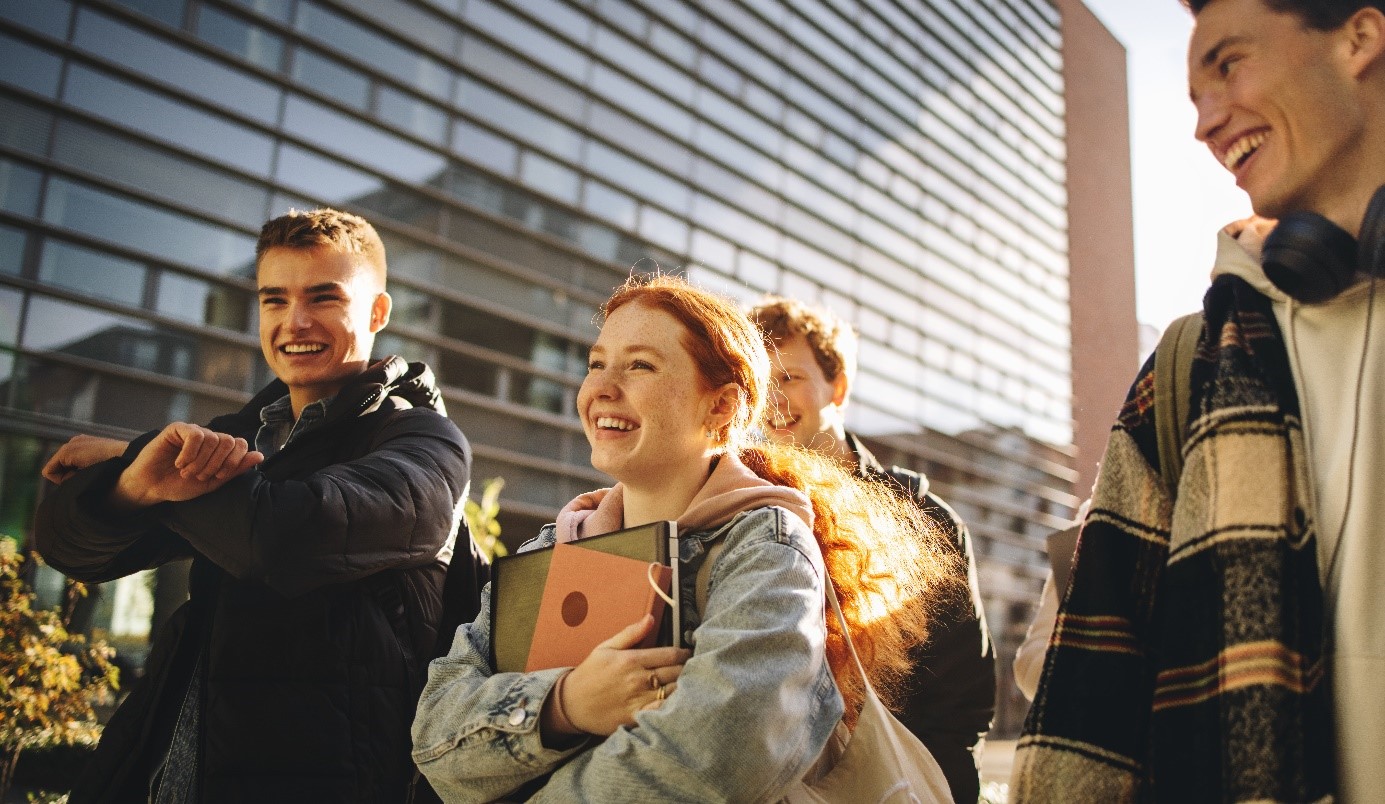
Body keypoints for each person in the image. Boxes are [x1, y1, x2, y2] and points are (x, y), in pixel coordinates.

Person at [1012, 1, 1385, 801]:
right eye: (1191, 96)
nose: (1204, 124)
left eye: (1228, 65)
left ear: (1358, 38)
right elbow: (1083, 687)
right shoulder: (1189, 366)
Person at [411, 274, 959, 801]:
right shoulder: (555, 547)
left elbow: (720, 757)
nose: (601, 388)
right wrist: (566, 705)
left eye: (641, 366)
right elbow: (435, 736)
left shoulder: (766, 547)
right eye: (596, 364)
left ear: (721, 407)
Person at [34, 208, 479, 803]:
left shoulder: (425, 441)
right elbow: (68, 548)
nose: (294, 322)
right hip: (172, 767)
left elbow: (285, 536)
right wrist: (134, 485)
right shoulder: (239, 435)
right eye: (274, 300)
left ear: (376, 312)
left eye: (323, 298)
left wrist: (134, 456)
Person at [748, 296, 995, 803]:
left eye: (790, 377)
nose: (773, 400)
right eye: (759, 383)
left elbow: (961, 703)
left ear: (836, 386)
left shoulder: (922, 515)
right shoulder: (733, 510)